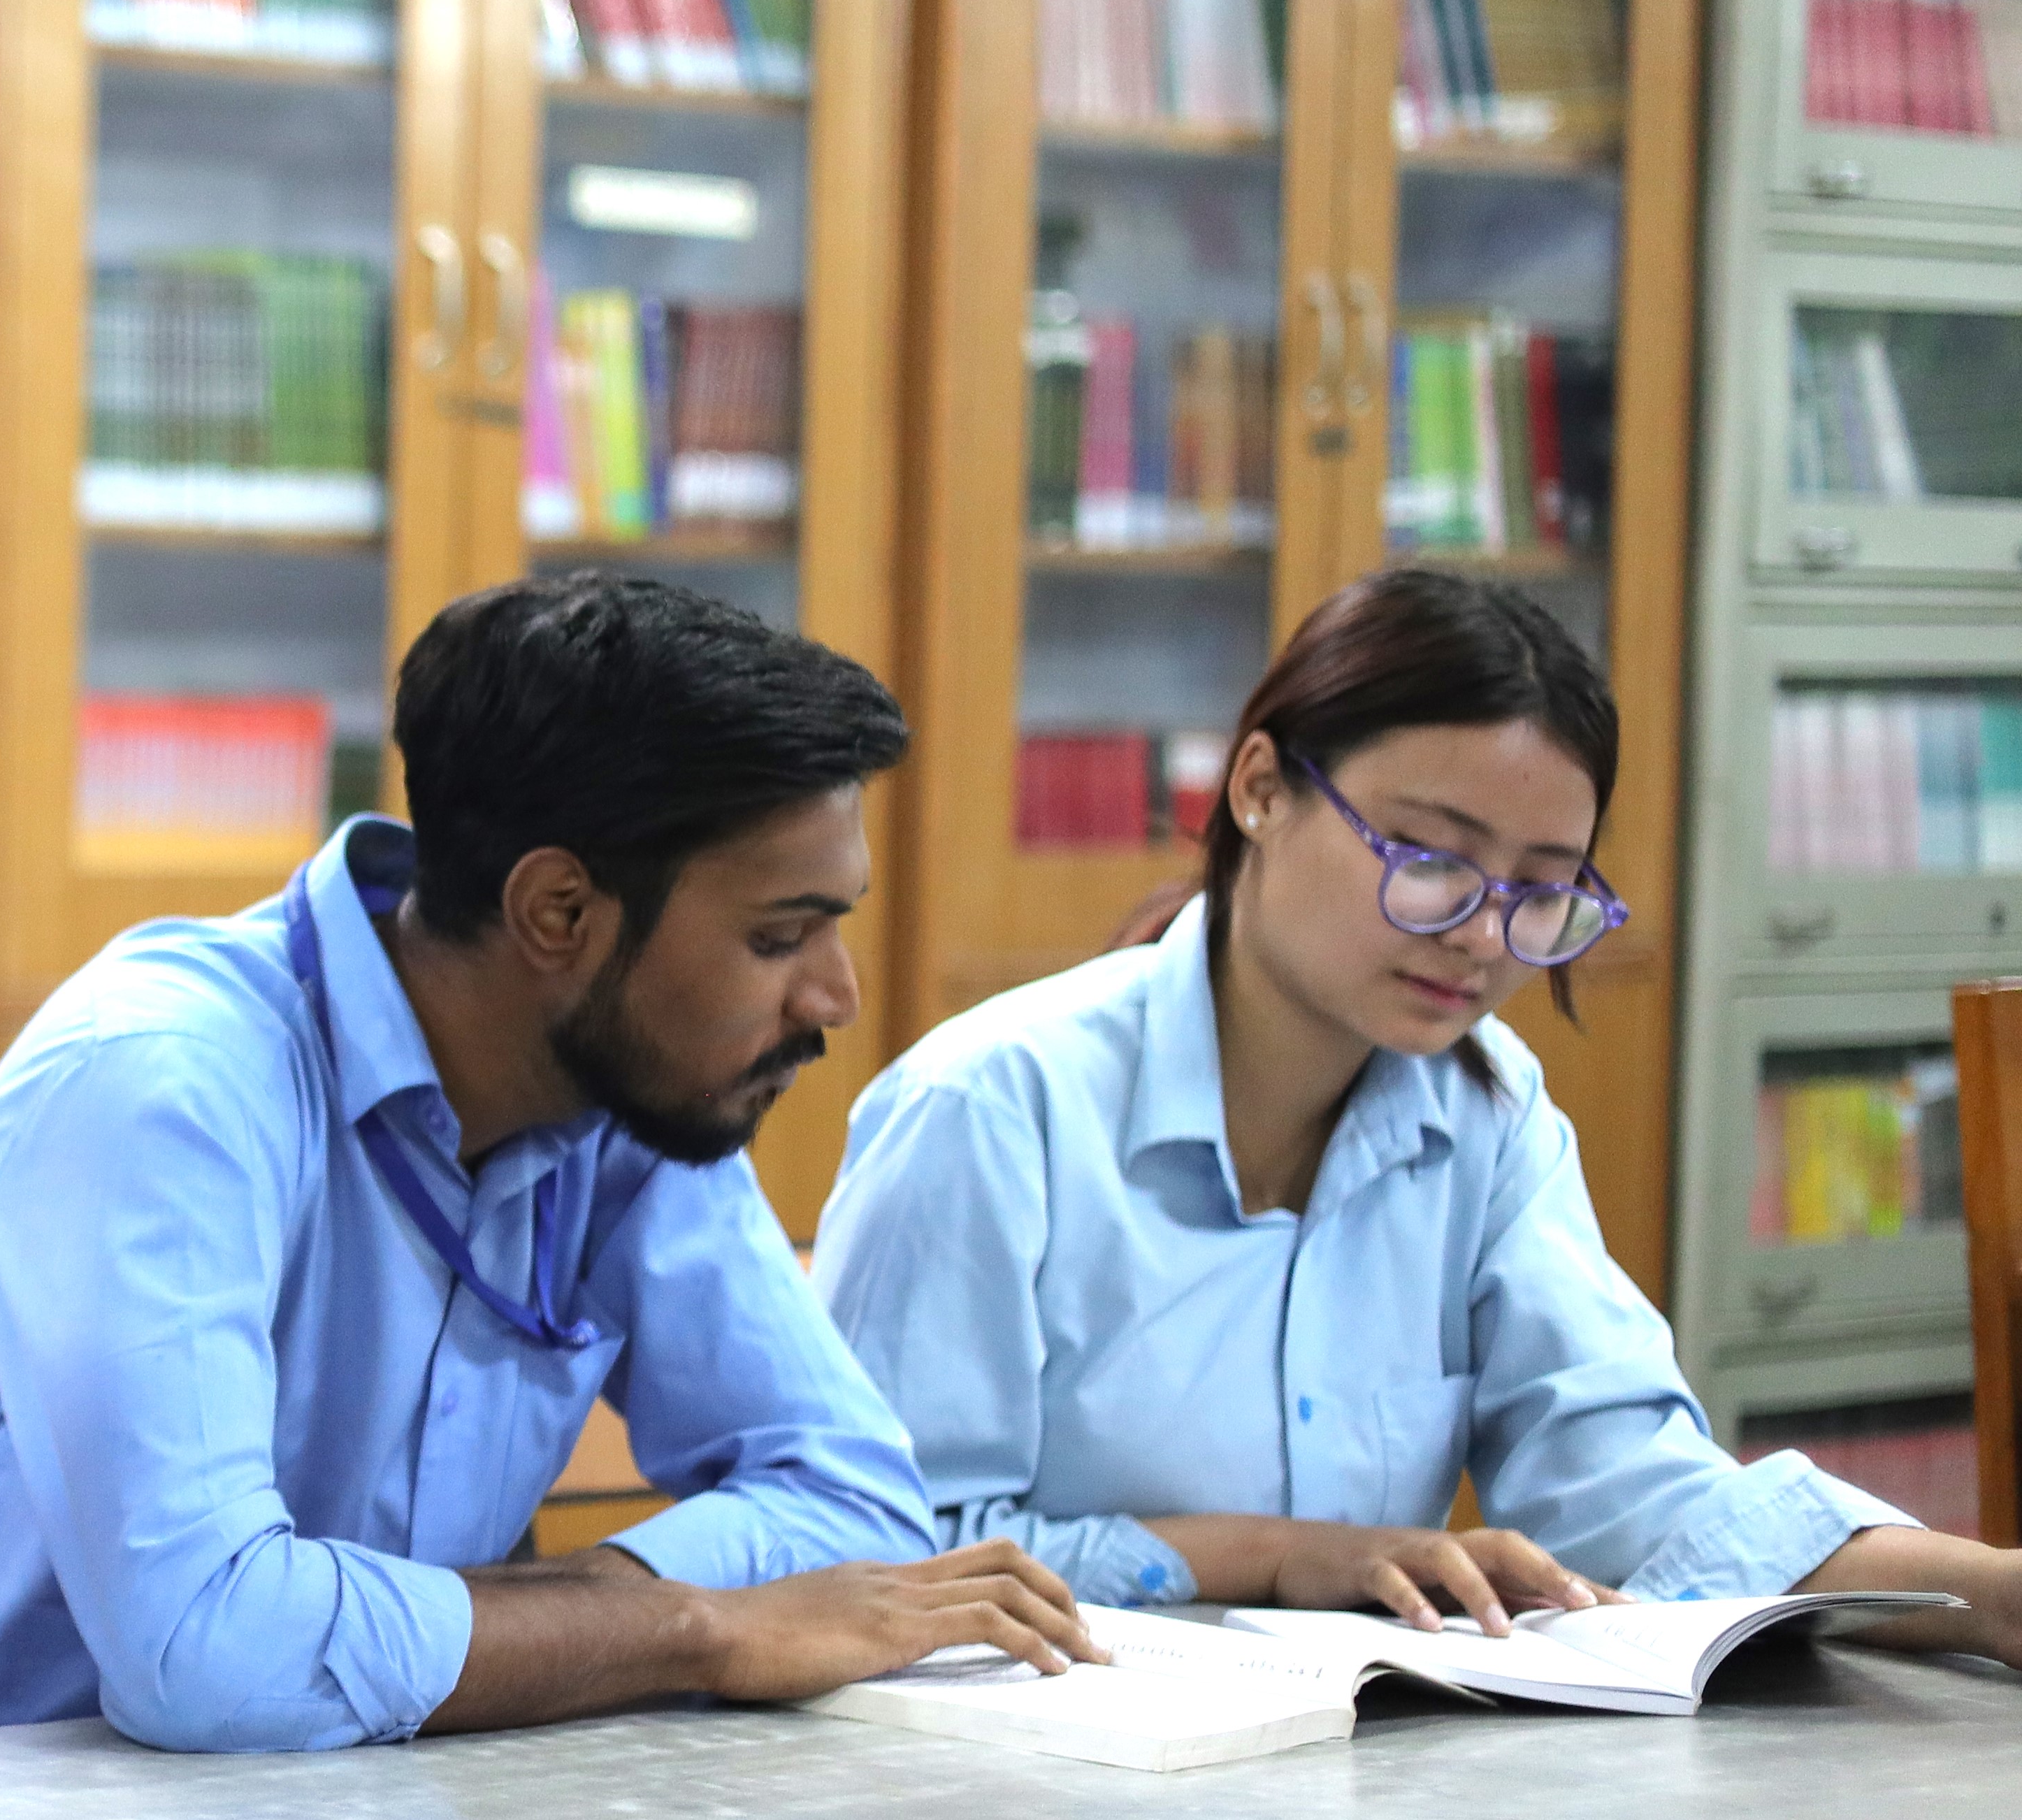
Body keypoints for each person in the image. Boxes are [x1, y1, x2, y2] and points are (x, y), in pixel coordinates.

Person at [0, 572, 1095, 1750]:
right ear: (558, 914)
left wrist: (576, 1617)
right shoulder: (162, 1083)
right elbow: (210, 1655)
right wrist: (685, 1623)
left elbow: (855, 1499)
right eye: (779, 939)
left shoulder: (629, 1097)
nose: (836, 997)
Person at [818, 566, 2022, 1656]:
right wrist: (1285, 1555)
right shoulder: (988, 1108)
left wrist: (1986, 1592)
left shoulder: (1485, 1116)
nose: (1485, 937)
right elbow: (882, 1557)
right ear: (1259, 790)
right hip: (1015, 1810)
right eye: (1431, 858)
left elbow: (1629, 1491)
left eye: (1544, 892)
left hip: (1356, 1802)